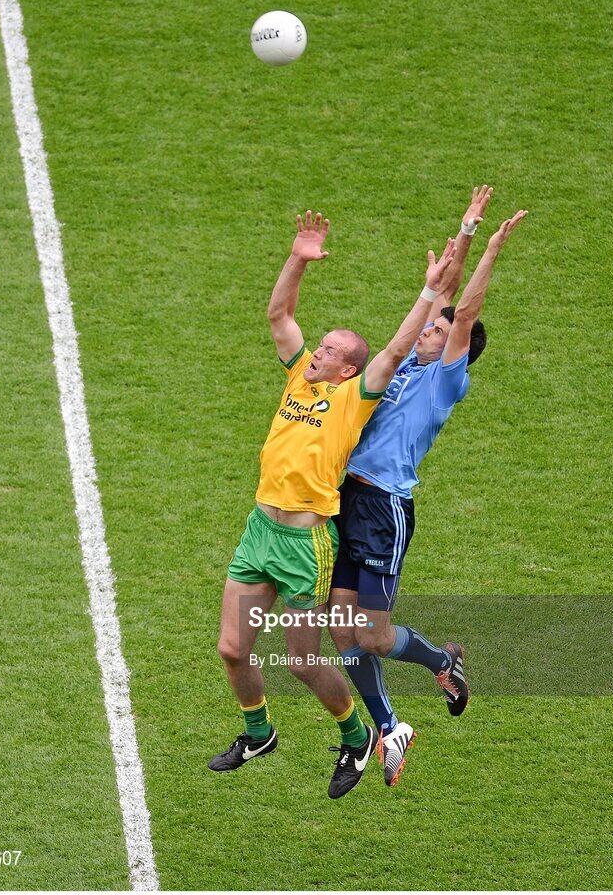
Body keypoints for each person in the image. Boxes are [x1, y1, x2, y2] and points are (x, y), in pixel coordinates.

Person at [209, 210, 456, 798]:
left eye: (329, 350)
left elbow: (397, 349)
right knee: (231, 649)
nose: (316, 351)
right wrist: (298, 257)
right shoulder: (299, 378)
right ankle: (258, 732)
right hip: (259, 531)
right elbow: (279, 315)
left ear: (349, 368)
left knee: (300, 661)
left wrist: (430, 290)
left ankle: (357, 736)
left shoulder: (353, 399)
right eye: (317, 345)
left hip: (304, 544)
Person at [328, 188, 528, 787]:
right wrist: (464, 229)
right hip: (348, 499)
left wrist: (490, 246)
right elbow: (443, 293)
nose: (427, 334)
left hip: (385, 509)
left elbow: (461, 312)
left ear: (456, 352)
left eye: (436, 335)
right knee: (343, 630)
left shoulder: (445, 382)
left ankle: (442, 663)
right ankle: (391, 726)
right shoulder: (412, 364)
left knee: (375, 634)